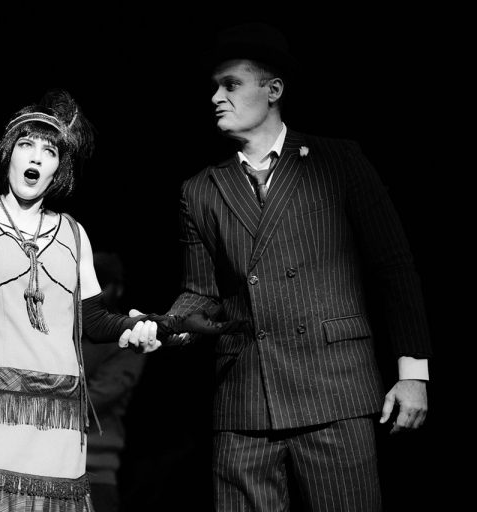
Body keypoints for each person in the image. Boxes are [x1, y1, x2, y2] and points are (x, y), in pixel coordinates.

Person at [143, 22, 433, 512]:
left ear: (273, 90)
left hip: (334, 388)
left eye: (231, 84)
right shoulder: (200, 189)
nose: (216, 97)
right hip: (245, 398)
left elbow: (394, 267)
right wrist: (165, 326)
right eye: (214, 86)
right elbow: (201, 293)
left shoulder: (338, 160)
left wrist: (413, 373)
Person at [0, 89, 239, 512]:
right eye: (26, 145)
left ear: (59, 168)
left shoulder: (73, 233)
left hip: (59, 417)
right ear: (8, 153)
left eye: (49, 151)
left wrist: (171, 323)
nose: (36, 158)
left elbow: (97, 322)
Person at [82, 252, 145, 512]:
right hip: (41, 465)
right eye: (84, 283)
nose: (89, 292)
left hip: (94, 471)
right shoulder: (60, 331)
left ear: (118, 289)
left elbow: (94, 400)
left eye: (100, 283)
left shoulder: (127, 339)